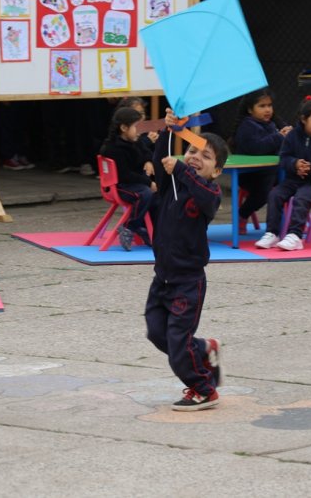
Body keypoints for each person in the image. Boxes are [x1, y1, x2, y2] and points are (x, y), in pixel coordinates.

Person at [145, 107, 227, 411]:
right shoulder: (172, 185)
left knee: (178, 340)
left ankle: (204, 388)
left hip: (187, 282)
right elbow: (160, 160)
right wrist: (170, 129)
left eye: (206, 156)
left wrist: (182, 168)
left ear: (216, 171)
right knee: (157, 332)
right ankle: (204, 348)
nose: (195, 156)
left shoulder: (209, 192)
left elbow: (203, 191)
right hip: (162, 278)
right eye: (192, 149)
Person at [255, 97, 311, 251]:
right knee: (274, 195)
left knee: (301, 198)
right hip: (292, 180)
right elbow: (284, 157)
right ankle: (272, 233)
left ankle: (295, 235)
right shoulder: (292, 136)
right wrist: (295, 164)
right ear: (304, 119)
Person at [229, 88, 292, 234]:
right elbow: (256, 148)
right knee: (265, 191)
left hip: (270, 172)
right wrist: (278, 137)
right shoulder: (247, 126)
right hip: (250, 175)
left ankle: (295, 222)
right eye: (262, 106)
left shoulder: (270, 124)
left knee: (294, 184)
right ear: (250, 110)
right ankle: (242, 214)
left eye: (269, 105)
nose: (267, 110)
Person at [99, 107, 157, 250]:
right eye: (137, 126)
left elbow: (146, 152)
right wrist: (149, 182)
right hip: (120, 187)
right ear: (124, 127)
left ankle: (148, 228)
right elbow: (125, 175)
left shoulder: (135, 141)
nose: (140, 130)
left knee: (158, 194)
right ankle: (129, 227)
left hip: (134, 183)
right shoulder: (113, 148)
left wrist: (148, 161)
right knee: (145, 193)